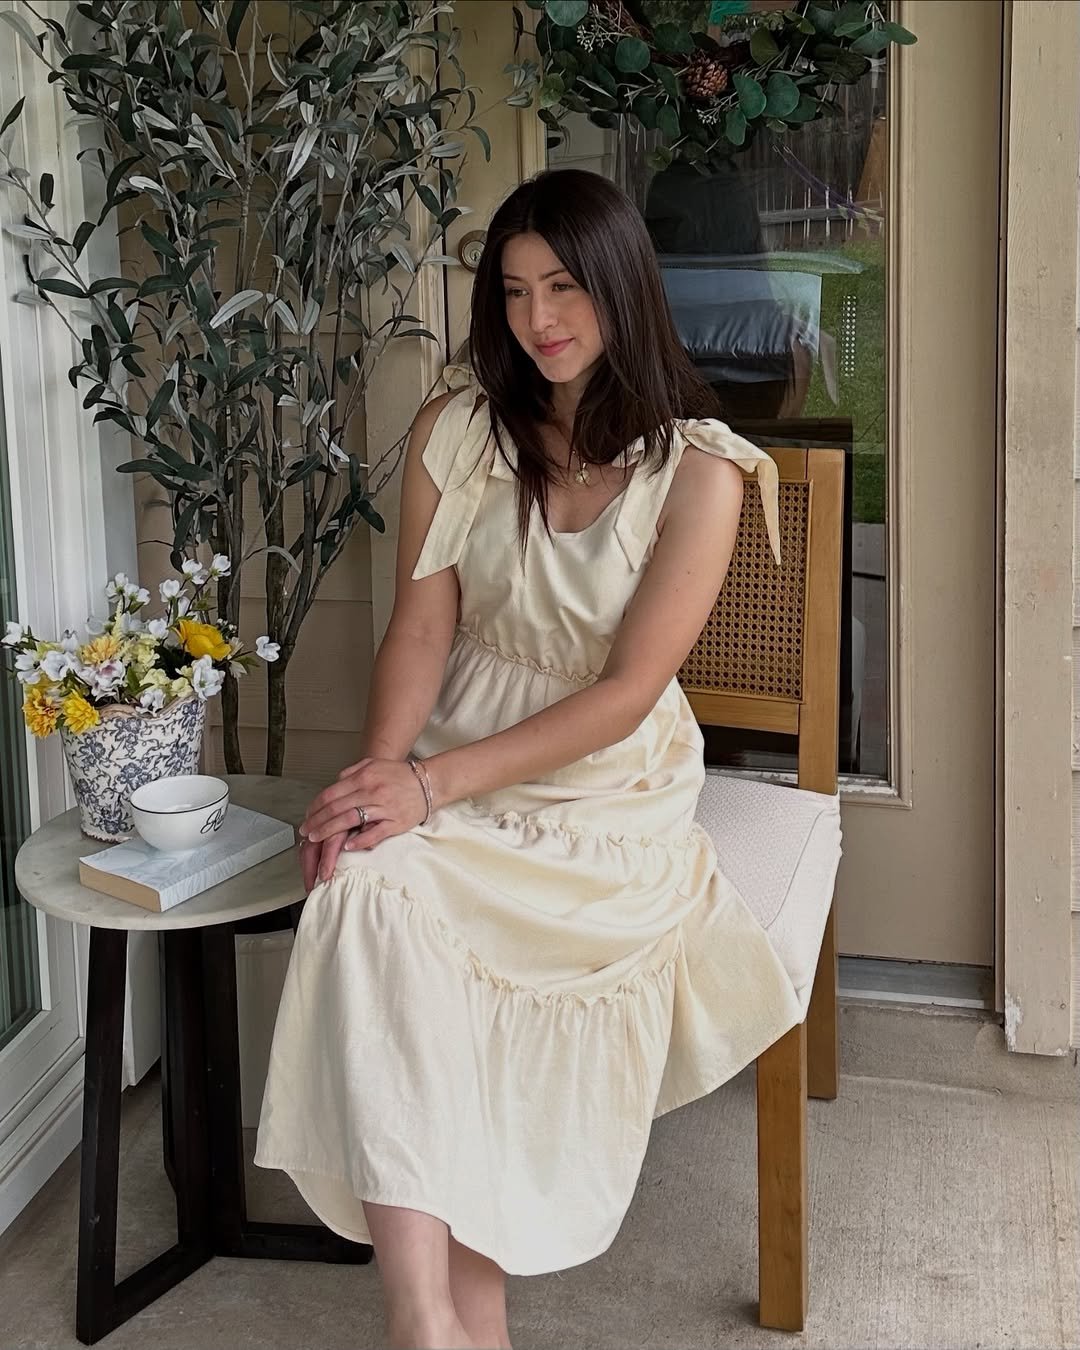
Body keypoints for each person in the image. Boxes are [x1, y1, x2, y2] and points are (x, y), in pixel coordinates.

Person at [254, 168, 803, 1350]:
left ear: (619, 286)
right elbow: (421, 627)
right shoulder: (457, 428)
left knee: (442, 949)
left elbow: (625, 694)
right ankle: (430, 1320)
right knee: (366, 885)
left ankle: (464, 1320)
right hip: (456, 744)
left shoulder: (702, 471)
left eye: (562, 286)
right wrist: (378, 782)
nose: (536, 318)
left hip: (604, 785)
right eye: (511, 291)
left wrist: (425, 788)